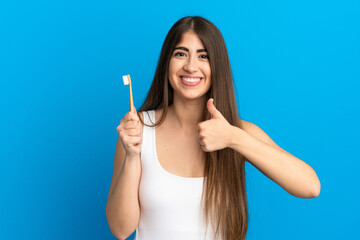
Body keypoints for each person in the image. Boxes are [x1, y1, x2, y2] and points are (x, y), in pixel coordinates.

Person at [105, 16, 321, 240]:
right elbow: (120, 230)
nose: (190, 66)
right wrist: (132, 155)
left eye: (204, 56)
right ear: (166, 62)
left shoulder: (237, 132)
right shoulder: (138, 130)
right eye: (180, 53)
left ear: (217, 66)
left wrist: (234, 138)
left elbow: (310, 186)